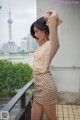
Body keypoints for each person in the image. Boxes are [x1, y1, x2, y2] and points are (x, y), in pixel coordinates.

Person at [30, 10, 63, 120]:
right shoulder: (42, 46)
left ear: (44, 30)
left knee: (52, 119)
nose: (35, 35)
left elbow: (54, 19)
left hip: (46, 86)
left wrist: (50, 14)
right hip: (38, 87)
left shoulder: (52, 44)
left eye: (37, 31)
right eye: (34, 32)